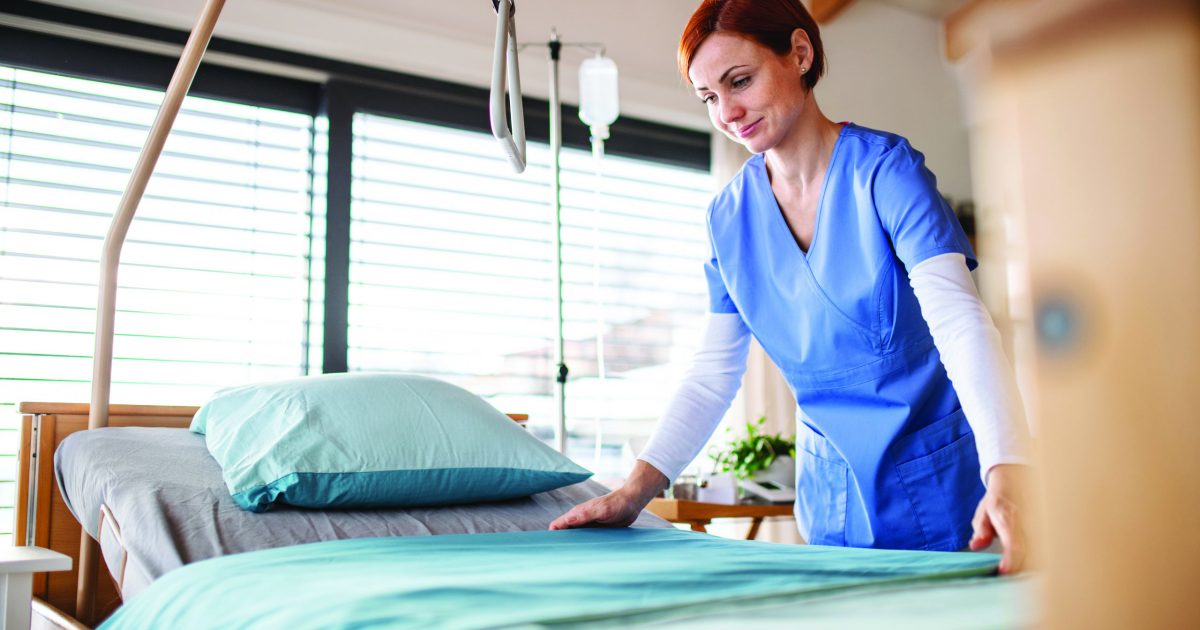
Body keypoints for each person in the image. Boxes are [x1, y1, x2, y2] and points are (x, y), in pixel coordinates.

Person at [549, 0, 1032, 574]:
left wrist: (1008, 467)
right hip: (831, 495)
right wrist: (635, 490)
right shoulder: (729, 218)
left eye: (740, 81)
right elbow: (713, 374)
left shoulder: (885, 173)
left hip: (943, 484)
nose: (727, 111)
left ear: (799, 54)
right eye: (709, 97)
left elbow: (960, 322)